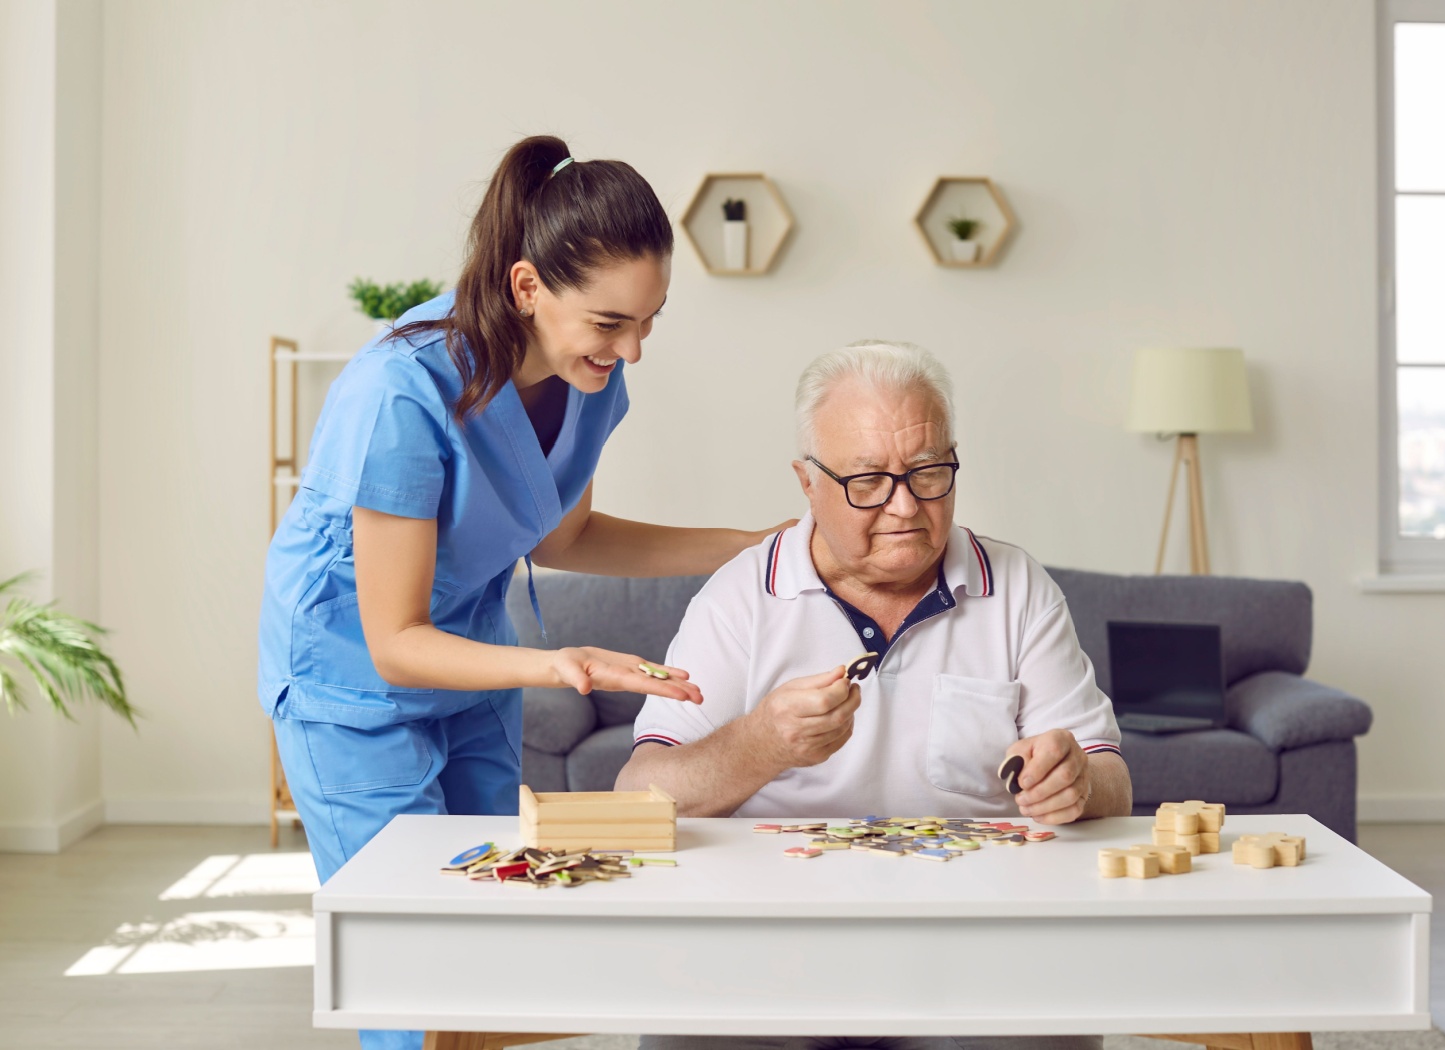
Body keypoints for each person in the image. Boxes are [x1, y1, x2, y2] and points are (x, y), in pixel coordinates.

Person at [257, 135, 787, 1050]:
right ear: (528, 287)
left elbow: (565, 533)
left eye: (650, 321)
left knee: (495, 922)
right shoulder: (400, 392)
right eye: (611, 323)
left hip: (469, 650)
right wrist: (559, 660)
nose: (633, 350)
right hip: (349, 675)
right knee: (408, 954)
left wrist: (747, 548)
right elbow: (393, 638)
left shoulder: (591, 383)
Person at [619, 341, 1129, 1050]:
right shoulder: (738, 596)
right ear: (806, 482)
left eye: (929, 473)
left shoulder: (1016, 586)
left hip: (975, 938)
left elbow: (1112, 782)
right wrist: (761, 744)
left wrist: (1075, 780)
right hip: (772, 940)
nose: (904, 507)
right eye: (867, 481)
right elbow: (638, 795)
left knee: (1051, 1030)